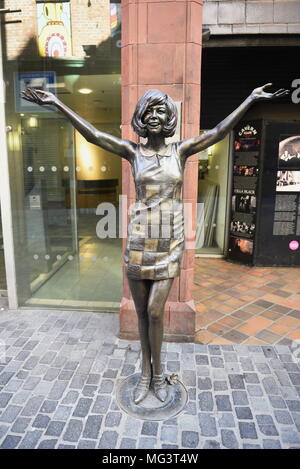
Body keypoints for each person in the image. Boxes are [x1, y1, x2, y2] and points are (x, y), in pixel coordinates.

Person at [22, 83, 288, 404]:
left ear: (169, 117)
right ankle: (145, 373)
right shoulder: (133, 153)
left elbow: (218, 130)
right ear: (140, 117)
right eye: (148, 110)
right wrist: (56, 104)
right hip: (138, 241)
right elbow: (93, 134)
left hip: (170, 240)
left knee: (155, 311)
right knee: (141, 314)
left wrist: (250, 98)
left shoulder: (181, 151)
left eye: (160, 110)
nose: (154, 116)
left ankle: (159, 373)